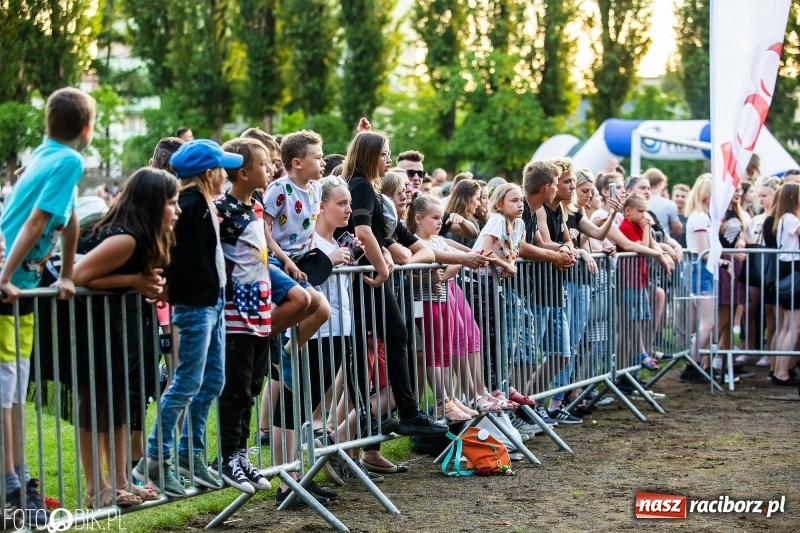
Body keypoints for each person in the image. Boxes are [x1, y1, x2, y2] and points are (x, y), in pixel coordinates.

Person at [0, 87, 95, 523]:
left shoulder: (49, 155)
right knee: (7, 390)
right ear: (86, 128)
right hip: (9, 284)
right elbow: (37, 220)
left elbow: (70, 222)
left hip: (22, 286)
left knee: (16, 388)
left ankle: (19, 480)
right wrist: (4, 276)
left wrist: (68, 274)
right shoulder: (68, 159)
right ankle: (12, 487)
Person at [61, 168, 178, 508]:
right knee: (95, 402)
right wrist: (134, 281)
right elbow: (77, 276)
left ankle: (122, 481)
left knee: (119, 399)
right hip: (82, 318)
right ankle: (95, 489)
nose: (178, 209)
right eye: (172, 202)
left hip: (108, 320)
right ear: (152, 203)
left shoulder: (147, 236)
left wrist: (147, 284)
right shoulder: (126, 238)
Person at [134, 139, 244, 497]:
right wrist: (164, 281)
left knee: (212, 381)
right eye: (222, 169)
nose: (226, 175)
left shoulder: (203, 202)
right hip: (195, 306)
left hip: (212, 302)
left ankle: (189, 453)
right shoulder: (191, 202)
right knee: (185, 383)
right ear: (209, 173)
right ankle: (154, 458)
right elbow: (164, 244)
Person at [337, 130, 448, 436]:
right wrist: (381, 267)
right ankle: (398, 413)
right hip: (366, 278)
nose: (388, 159)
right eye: (384, 154)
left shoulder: (364, 185)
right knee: (383, 340)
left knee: (390, 339)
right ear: (370, 156)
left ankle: (395, 414)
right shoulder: (360, 184)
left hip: (368, 275)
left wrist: (385, 254)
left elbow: (375, 234)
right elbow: (362, 231)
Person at [208, 138, 273, 495]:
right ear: (244, 172)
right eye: (263, 163)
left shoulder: (256, 207)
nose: (269, 168)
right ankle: (226, 457)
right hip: (234, 314)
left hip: (260, 311)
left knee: (252, 387)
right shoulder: (222, 209)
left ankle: (240, 454)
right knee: (235, 388)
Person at [770, 182, 800, 386]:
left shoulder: (784, 218)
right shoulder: (790, 219)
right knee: (793, 327)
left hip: (788, 271)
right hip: (793, 272)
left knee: (787, 325)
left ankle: (779, 370)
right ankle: (781, 372)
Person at [645, 168, 683, 239]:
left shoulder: (641, 202)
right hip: (663, 241)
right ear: (661, 183)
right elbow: (677, 231)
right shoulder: (669, 204)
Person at [672, 183, 690, 248]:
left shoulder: (691, 217)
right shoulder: (668, 217)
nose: (680, 199)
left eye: (683, 196)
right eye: (677, 196)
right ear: (672, 197)